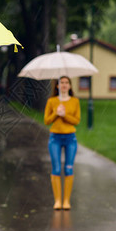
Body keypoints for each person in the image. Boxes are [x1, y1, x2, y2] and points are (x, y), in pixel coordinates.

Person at [44, 76, 80, 210]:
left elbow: (76, 121)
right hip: (55, 138)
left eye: (66, 83)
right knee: (57, 169)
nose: (64, 85)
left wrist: (65, 115)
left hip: (70, 138)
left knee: (68, 168)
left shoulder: (75, 101)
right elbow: (47, 121)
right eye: (61, 83)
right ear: (57, 86)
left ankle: (66, 201)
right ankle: (57, 200)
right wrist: (56, 114)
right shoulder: (52, 101)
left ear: (70, 86)